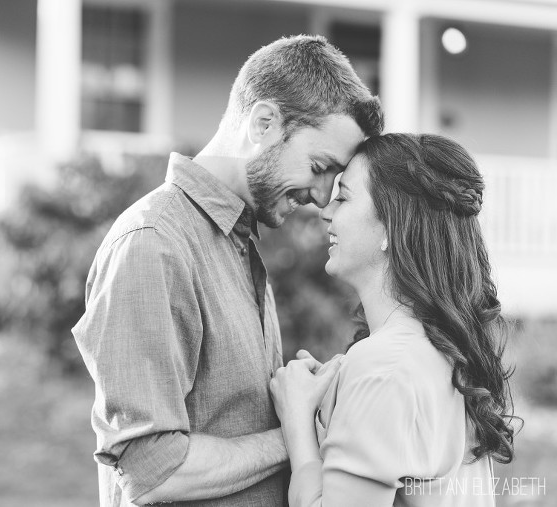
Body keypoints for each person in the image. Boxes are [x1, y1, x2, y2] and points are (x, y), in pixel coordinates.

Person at [72, 34, 383, 506]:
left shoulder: (236, 240)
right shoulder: (155, 244)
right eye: (319, 166)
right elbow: (152, 472)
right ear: (264, 122)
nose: (322, 197)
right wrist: (302, 429)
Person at [270, 133, 518, 506]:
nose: (325, 211)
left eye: (344, 197)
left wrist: (297, 422)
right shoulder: (440, 350)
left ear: (391, 224)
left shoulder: (384, 366)